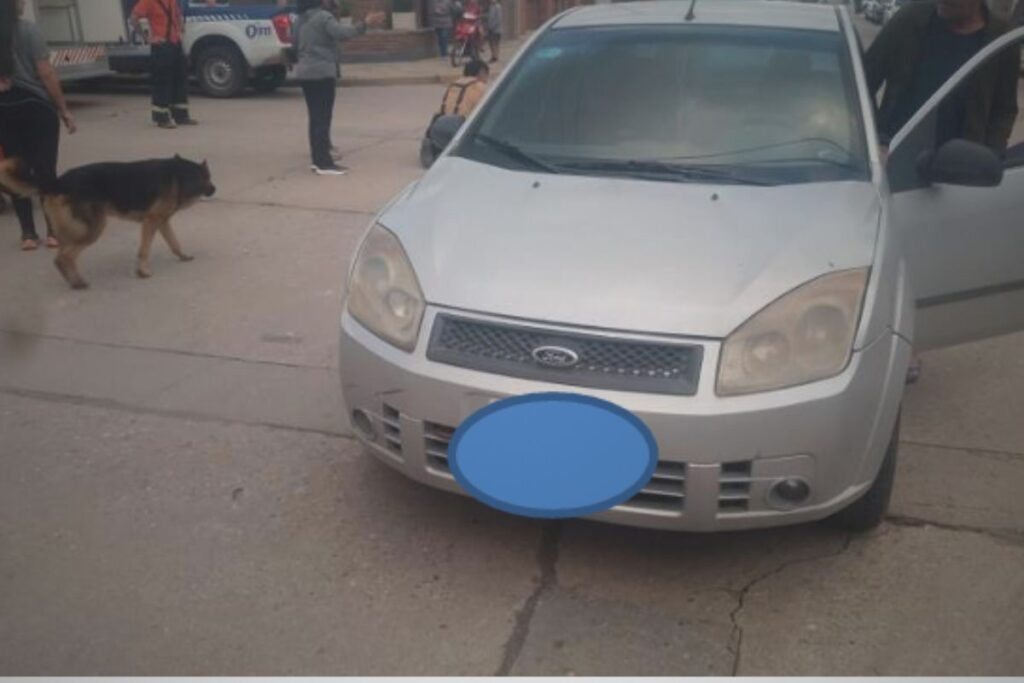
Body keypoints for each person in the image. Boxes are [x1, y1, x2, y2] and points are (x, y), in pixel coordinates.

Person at [864, 0, 1018, 155]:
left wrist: (987, 156)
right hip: (890, 153)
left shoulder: (1000, 40)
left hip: (956, 164)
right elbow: (864, 82)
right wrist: (871, 140)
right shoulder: (910, 19)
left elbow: (1003, 111)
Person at [0, 0, 77, 251]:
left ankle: (28, 235)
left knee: (15, 172)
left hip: (4, 109)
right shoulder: (28, 30)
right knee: (45, 169)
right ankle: (53, 232)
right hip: (36, 108)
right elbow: (46, 72)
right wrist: (63, 109)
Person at [294, 0, 385, 175]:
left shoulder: (300, 19)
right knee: (323, 117)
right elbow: (343, 33)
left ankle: (318, 158)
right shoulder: (323, 17)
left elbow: (294, 43)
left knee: (315, 117)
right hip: (322, 72)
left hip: (305, 72)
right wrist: (365, 24)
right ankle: (323, 163)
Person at [130, 0, 198, 129]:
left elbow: (177, 15)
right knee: (162, 82)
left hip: (175, 44)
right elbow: (134, 17)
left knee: (180, 80)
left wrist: (180, 29)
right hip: (161, 45)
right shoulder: (148, 1)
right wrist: (147, 38)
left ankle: (181, 116)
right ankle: (161, 118)